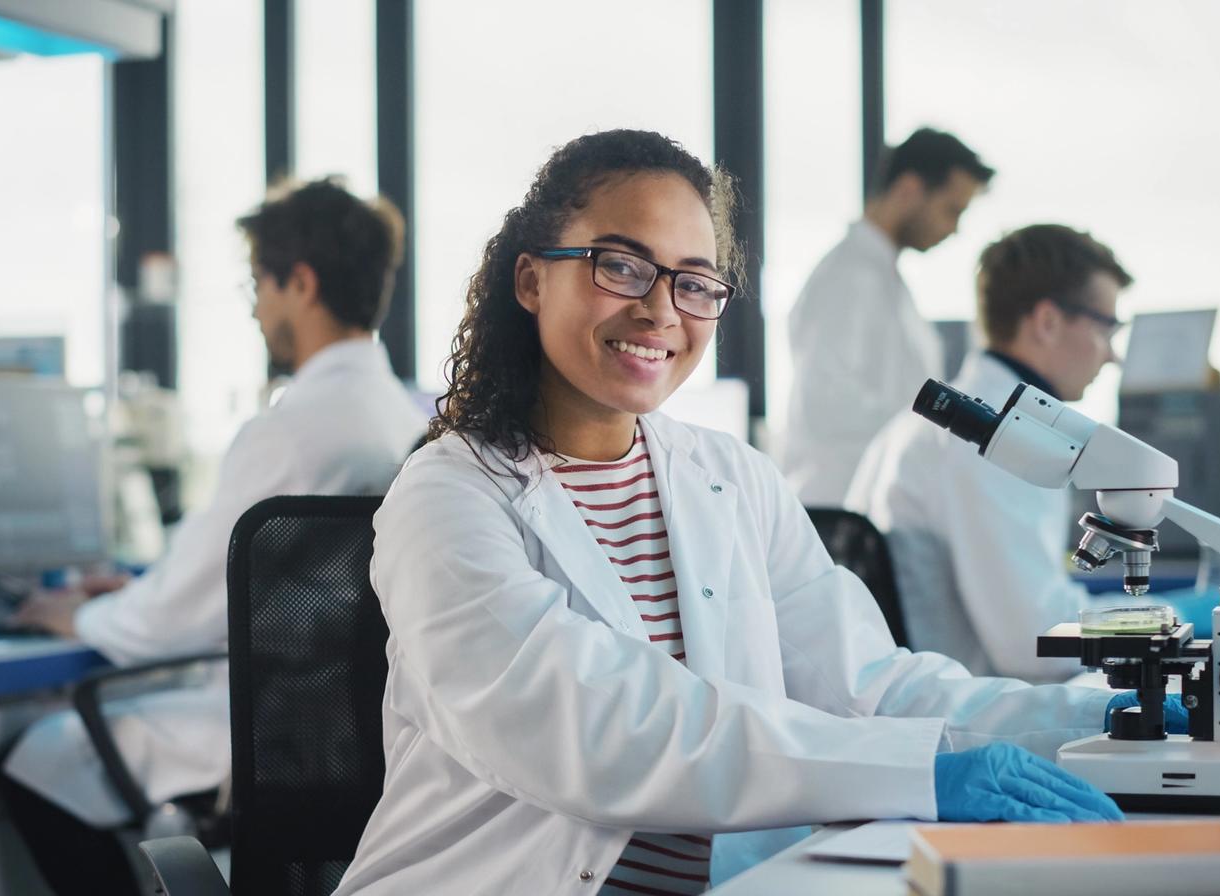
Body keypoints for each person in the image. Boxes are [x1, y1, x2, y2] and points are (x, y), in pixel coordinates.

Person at [333, 131, 1176, 896]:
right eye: (619, 266)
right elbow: (604, 729)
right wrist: (925, 768)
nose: (660, 309)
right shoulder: (444, 498)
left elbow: (872, 689)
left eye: (694, 282)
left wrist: (1091, 718)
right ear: (530, 276)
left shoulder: (732, 479)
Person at [0, 178, 429, 896]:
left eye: (257, 284)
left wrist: (84, 614)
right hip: (342, 729)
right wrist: (141, 589)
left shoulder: (290, 428)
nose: (257, 308)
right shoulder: (395, 413)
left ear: (300, 282)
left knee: (38, 760)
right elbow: (263, 581)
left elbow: (177, 617)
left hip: (264, 728)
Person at [847, 224, 1207, 680]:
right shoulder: (1002, 440)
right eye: (1107, 328)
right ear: (1047, 322)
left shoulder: (921, 425)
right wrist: (1172, 616)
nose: (1112, 356)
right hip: (977, 713)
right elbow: (1036, 642)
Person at [780, 127, 992, 507]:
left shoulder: (880, 279)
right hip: (839, 507)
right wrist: (940, 429)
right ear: (909, 189)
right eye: (951, 210)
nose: (955, 228)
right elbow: (827, 403)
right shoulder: (847, 278)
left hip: (866, 501)